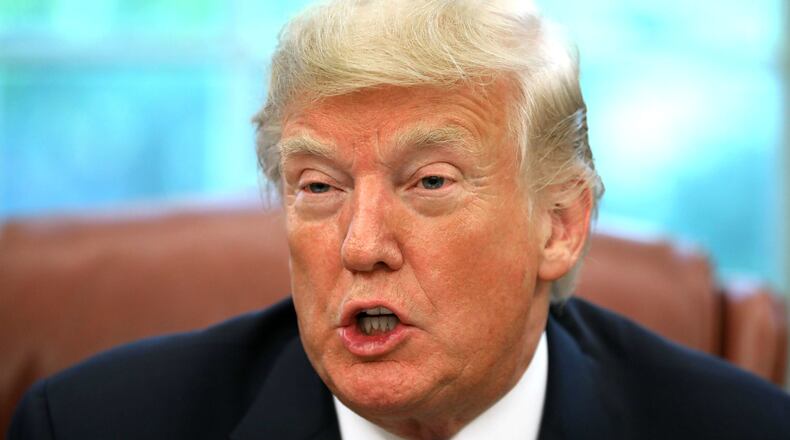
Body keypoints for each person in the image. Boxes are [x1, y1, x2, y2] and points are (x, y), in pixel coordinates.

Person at [8, 0, 790, 439]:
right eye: (319, 186)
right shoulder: (87, 427)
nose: (361, 246)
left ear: (559, 224)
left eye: (430, 182)